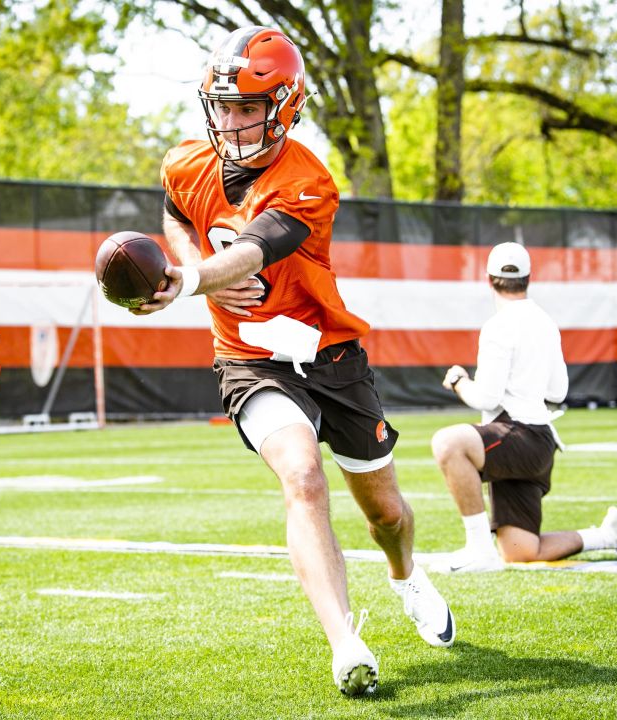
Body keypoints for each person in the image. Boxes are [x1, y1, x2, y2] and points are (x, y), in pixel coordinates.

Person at [139, 26, 454, 696]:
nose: (231, 120)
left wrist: (197, 280)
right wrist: (196, 265)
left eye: (247, 107)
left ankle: (405, 576)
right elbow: (174, 212)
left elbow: (256, 247)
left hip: (330, 356)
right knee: (303, 477)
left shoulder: (307, 180)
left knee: (387, 514)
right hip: (252, 362)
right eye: (222, 105)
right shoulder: (185, 163)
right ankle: (346, 642)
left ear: (284, 105)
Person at [428, 242, 617, 574]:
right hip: (538, 443)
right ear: (528, 278)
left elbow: (485, 399)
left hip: (518, 437)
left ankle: (478, 549)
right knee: (521, 551)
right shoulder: (545, 322)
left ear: (489, 280)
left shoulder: (498, 325)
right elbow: (558, 390)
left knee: (448, 444)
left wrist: (459, 380)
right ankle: (608, 534)